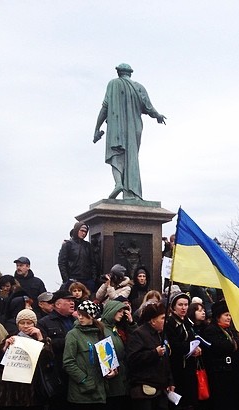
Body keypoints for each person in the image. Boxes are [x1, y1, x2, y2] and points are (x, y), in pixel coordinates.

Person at [93, 63, 166, 200]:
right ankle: (131, 192)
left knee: (116, 155)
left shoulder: (113, 84)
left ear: (118, 73)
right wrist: (158, 116)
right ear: (130, 73)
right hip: (135, 128)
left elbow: (105, 107)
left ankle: (119, 183)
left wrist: (97, 128)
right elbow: (149, 107)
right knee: (132, 158)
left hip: (116, 127)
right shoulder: (139, 87)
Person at [125, 301, 182, 410]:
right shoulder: (139, 334)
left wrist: (170, 380)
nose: (165, 321)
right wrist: (153, 353)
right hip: (144, 386)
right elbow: (132, 359)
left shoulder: (161, 334)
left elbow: (166, 360)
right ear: (152, 320)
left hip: (161, 385)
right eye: (163, 318)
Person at [62, 300, 107, 410]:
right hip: (81, 391)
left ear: (93, 317)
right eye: (79, 314)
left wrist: (110, 371)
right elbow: (68, 362)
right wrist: (84, 380)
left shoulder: (98, 333)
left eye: (85, 315)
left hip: (98, 389)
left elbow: (105, 358)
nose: (80, 318)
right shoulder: (73, 334)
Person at [37, 290, 76, 410]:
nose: (72, 303)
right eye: (68, 300)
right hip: (56, 375)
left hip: (74, 374)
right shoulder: (45, 322)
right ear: (58, 303)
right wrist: (70, 339)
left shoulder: (76, 321)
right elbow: (45, 346)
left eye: (73, 301)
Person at [202, 300, 239, 410]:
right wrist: (238, 343)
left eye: (230, 315)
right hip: (219, 375)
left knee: (234, 407)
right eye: (226, 315)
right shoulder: (211, 331)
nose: (229, 318)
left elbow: (237, 346)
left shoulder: (231, 330)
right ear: (218, 317)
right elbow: (222, 347)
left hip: (233, 374)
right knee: (221, 409)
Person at [165, 292, 202, 410]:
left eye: (186, 305)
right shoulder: (170, 323)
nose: (183, 308)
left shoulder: (187, 322)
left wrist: (196, 348)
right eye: (180, 305)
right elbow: (173, 346)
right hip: (177, 370)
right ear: (173, 307)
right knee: (180, 405)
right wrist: (189, 348)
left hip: (189, 369)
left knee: (189, 404)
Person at [98, 300, 130, 410]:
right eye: (119, 311)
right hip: (108, 381)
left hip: (120, 380)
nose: (121, 314)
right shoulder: (102, 329)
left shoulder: (118, 329)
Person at [58, 221, 96, 292]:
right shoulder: (67, 245)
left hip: (87, 280)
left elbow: (93, 263)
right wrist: (66, 280)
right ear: (76, 230)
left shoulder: (88, 246)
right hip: (73, 279)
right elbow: (62, 263)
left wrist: (93, 279)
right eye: (82, 231)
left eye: (85, 231)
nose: (84, 233)